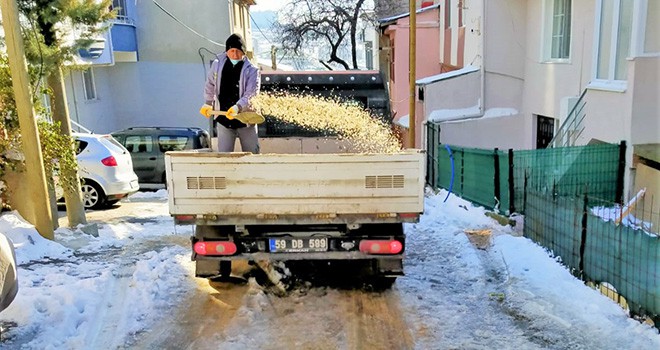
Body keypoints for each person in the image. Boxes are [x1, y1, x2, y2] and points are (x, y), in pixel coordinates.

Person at [200, 33, 261, 153]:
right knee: (224, 156)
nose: (235, 54)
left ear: (243, 52)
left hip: (245, 120)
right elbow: (210, 84)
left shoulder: (252, 71)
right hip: (224, 119)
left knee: (252, 156)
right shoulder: (217, 66)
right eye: (232, 50)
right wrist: (208, 103)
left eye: (238, 51)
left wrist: (238, 107)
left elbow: (251, 93)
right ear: (227, 51)